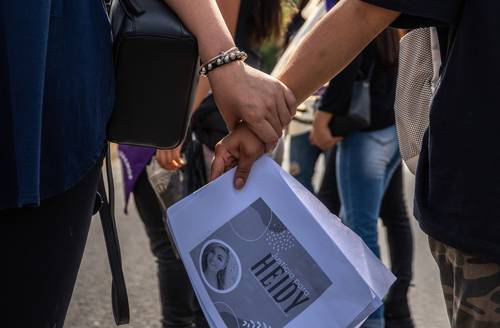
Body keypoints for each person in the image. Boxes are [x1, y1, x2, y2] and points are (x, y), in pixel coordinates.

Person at [0, 0, 295, 326]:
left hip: (62, 98)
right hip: (73, 91)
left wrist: (218, 68)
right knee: (175, 247)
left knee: (176, 248)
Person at [212, 1, 500, 327]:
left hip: (467, 196)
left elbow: (364, 15)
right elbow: (365, 14)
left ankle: (374, 317)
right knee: (377, 218)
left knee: (361, 224)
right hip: (477, 201)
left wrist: (266, 120)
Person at [118, 1, 285, 327]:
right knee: (190, 250)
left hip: (188, 122)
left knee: (177, 249)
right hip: (188, 117)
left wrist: (175, 126)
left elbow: (220, 57)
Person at [311, 29, 414, 327]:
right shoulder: (394, 16)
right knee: (370, 223)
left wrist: (323, 117)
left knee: (359, 233)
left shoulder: (361, 15)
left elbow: (346, 61)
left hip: (366, 134)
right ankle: (385, 310)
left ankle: (373, 320)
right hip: (392, 128)